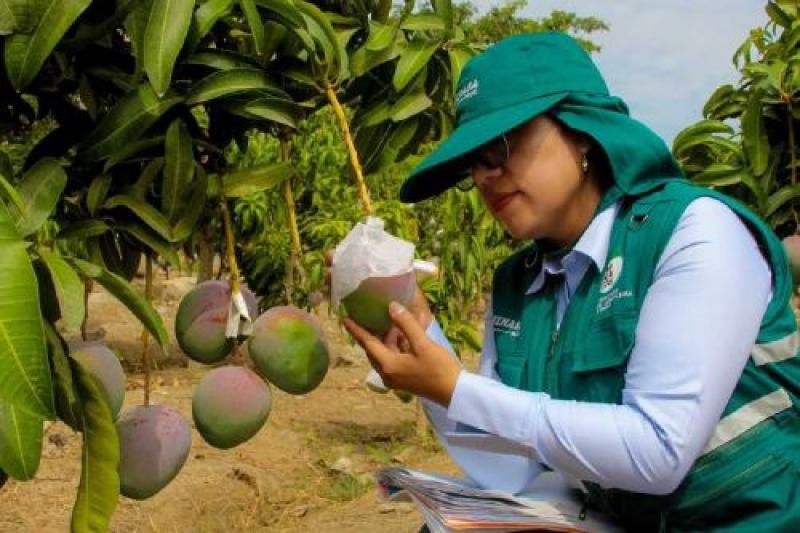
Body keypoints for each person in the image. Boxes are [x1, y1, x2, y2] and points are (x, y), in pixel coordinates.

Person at [341, 32, 800, 532]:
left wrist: (456, 387)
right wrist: (423, 345)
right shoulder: (517, 284)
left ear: (582, 132)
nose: (484, 177)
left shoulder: (693, 231)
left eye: (499, 148)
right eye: (472, 164)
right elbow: (512, 468)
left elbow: (658, 451)